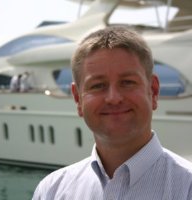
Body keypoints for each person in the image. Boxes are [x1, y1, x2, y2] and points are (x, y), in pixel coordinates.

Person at [32, 26, 192, 199]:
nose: (114, 98)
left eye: (127, 82)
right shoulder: (51, 191)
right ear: (78, 99)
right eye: (98, 85)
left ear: (153, 91)